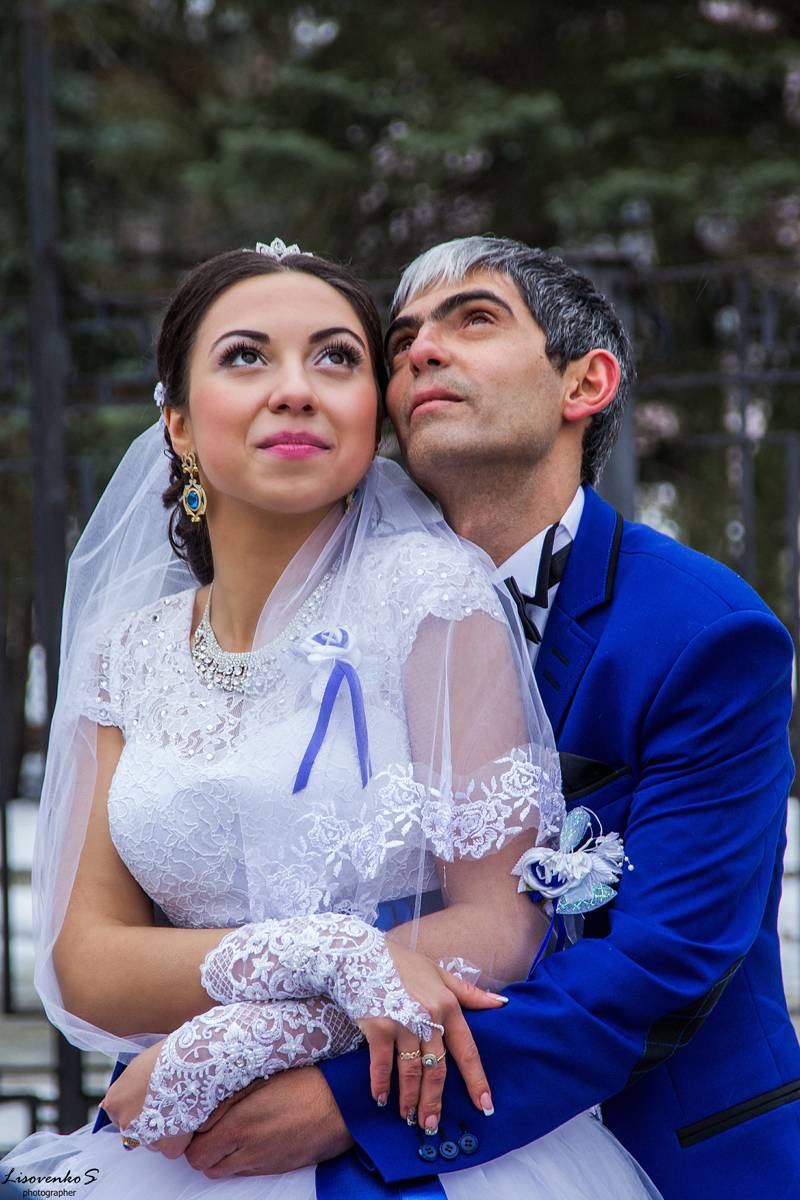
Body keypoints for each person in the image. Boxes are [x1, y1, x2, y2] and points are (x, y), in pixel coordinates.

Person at [1, 240, 660, 1199]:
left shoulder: (433, 598)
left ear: (370, 416)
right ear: (178, 423)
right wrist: (321, 952)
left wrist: (264, 1029)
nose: (295, 390)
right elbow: (84, 959)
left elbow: (504, 924)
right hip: (174, 1140)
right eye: (246, 356)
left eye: (336, 358)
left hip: (399, 1133)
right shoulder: (125, 652)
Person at [207, 236, 795, 1200]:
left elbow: (665, 962)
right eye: (401, 344)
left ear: (585, 383)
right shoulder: (317, 626)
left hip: (660, 1151)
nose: (421, 353)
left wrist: (349, 1103)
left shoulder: (704, 633)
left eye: (473, 320)